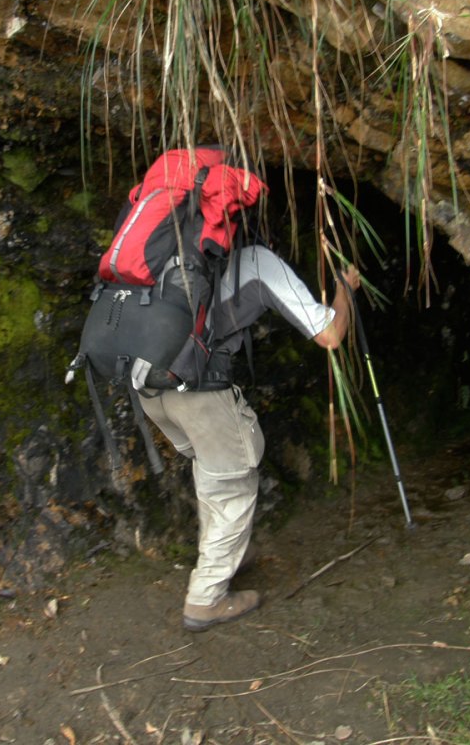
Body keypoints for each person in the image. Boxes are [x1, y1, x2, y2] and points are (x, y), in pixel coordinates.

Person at [137, 244, 361, 632]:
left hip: (145, 387)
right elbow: (330, 335)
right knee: (233, 478)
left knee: (213, 468)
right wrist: (345, 290)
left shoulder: (164, 250)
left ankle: (227, 554)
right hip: (195, 389)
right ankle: (205, 600)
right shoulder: (256, 260)